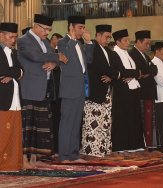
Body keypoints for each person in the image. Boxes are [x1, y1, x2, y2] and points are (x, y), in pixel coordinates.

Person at [18, 14, 68, 166]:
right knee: (28, 127)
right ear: (36, 26)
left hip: (44, 89)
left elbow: (56, 61)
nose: (47, 33)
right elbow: (35, 56)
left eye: (49, 30)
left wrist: (54, 64)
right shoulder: (23, 40)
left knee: (41, 127)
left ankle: (36, 159)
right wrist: (57, 56)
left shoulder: (45, 42)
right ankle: (24, 159)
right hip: (29, 89)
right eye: (45, 29)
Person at [57, 15, 94, 163]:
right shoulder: (63, 42)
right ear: (71, 27)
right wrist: (72, 40)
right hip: (69, 89)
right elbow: (64, 57)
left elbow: (89, 60)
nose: (82, 30)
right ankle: (64, 155)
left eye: (83, 27)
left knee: (76, 122)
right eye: (80, 27)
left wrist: (89, 42)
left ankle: (73, 154)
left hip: (81, 89)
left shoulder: (80, 43)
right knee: (66, 123)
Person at [81, 24, 118, 157]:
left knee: (105, 123)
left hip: (106, 92)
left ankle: (103, 150)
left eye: (109, 37)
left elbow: (115, 69)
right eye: (106, 37)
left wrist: (112, 77)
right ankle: (91, 151)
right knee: (93, 125)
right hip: (94, 93)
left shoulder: (108, 51)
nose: (108, 40)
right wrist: (111, 74)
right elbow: (97, 66)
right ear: (98, 36)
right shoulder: (92, 48)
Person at [110, 29, 144, 152]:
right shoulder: (114, 53)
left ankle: (135, 145)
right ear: (118, 42)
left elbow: (138, 71)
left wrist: (134, 74)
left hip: (133, 88)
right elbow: (121, 72)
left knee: (134, 117)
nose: (128, 42)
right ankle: (122, 146)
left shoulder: (127, 53)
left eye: (128, 40)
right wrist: (135, 73)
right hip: (122, 90)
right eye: (125, 40)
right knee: (123, 119)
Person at [0, 22, 26, 170]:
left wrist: (12, 74)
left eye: (15, 37)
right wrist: (14, 73)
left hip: (16, 99)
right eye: (11, 37)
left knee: (15, 134)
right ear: (1, 35)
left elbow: (22, 71)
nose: (13, 40)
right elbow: (2, 69)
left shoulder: (14, 52)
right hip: (3, 99)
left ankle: (12, 164)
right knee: (2, 134)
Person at [128, 30, 158, 147]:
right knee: (143, 121)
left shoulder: (145, 55)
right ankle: (145, 145)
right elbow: (141, 71)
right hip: (142, 93)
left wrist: (148, 71)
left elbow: (154, 70)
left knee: (149, 122)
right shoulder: (133, 54)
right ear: (138, 42)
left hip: (149, 93)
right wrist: (148, 71)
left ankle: (150, 144)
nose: (148, 46)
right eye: (146, 43)